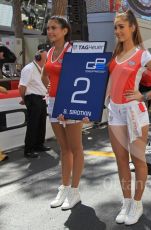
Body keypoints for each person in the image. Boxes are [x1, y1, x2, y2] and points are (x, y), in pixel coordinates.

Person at [106, 10, 151, 225]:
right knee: (121, 160)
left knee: (138, 160)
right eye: (115, 27)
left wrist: (143, 95)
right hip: (115, 111)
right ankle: (126, 201)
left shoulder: (142, 55)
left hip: (134, 112)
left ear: (133, 27)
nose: (117, 31)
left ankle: (137, 203)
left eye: (121, 27)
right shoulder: (115, 56)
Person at [41, 16, 86, 210]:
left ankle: (74, 191)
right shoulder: (50, 51)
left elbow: (83, 78)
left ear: (65, 30)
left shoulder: (73, 50)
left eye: (54, 28)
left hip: (70, 104)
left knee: (76, 148)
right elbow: (44, 74)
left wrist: (69, 102)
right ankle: (65, 187)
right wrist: (48, 88)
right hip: (52, 103)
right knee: (64, 148)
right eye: (49, 28)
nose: (50, 31)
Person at [19, 47, 51, 158]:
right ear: (39, 58)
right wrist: (24, 99)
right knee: (33, 125)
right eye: (46, 58)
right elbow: (22, 86)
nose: (48, 60)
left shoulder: (41, 68)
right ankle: (28, 149)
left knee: (41, 123)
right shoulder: (29, 68)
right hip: (33, 98)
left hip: (41, 98)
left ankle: (39, 144)